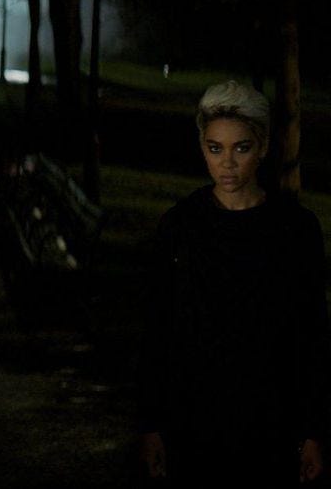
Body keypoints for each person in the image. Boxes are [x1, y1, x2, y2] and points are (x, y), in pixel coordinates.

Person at [137, 80, 329, 487]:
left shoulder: (295, 230)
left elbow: (312, 333)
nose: (227, 163)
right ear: (202, 147)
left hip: (271, 422)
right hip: (193, 420)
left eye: (241, 148)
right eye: (215, 148)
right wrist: (151, 424)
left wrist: (313, 431)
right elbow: (158, 328)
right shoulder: (180, 226)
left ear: (262, 147)